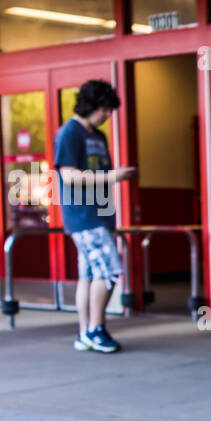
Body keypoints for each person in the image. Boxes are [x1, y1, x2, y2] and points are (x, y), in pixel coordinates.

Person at [54, 79, 136, 353]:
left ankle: (85, 332)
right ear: (92, 105)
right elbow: (68, 175)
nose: (107, 115)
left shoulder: (98, 137)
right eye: (104, 109)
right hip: (84, 215)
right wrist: (113, 176)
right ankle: (96, 329)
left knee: (89, 276)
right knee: (109, 271)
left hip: (100, 215)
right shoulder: (70, 133)